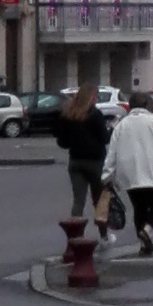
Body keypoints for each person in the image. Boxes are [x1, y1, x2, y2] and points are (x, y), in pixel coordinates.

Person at [102, 92, 153, 255]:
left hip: (130, 173)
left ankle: (143, 245)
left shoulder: (121, 125)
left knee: (139, 208)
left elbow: (112, 153)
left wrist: (106, 175)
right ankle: (147, 230)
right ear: (147, 105)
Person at [55, 80, 113, 232]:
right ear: (92, 97)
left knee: (78, 201)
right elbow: (104, 139)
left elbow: (62, 141)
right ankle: (104, 236)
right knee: (99, 201)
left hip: (75, 161)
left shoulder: (68, 114)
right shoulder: (95, 115)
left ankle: (75, 235)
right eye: (96, 96)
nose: (97, 99)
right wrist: (110, 130)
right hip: (95, 162)